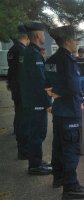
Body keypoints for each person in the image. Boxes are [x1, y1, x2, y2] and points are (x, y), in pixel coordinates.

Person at [46, 25, 84, 199]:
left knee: (58, 146)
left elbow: (46, 83)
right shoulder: (68, 60)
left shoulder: (51, 59)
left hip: (58, 111)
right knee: (70, 149)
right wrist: (66, 92)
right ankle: (71, 186)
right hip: (70, 110)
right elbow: (73, 88)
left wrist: (54, 91)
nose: (77, 43)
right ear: (67, 41)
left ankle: (58, 178)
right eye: (75, 39)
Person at [19, 21, 52, 175]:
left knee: (37, 133)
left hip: (32, 101)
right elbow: (40, 82)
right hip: (35, 103)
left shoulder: (32, 52)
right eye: (43, 33)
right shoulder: (33, 54)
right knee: (37, 133)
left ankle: (37, 161)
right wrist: (48, 103)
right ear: (38, 35)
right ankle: (34, 166)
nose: (44, 36)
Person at [7, 25, 30, 160]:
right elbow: (24, 74)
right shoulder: (21, 50)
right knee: (24, 120)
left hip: (16, 88)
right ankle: (24, 150)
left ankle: (21, 144)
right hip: (22, 90)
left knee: (20, 117)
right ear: (26, 36)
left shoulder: (12, 50)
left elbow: (12, 72)